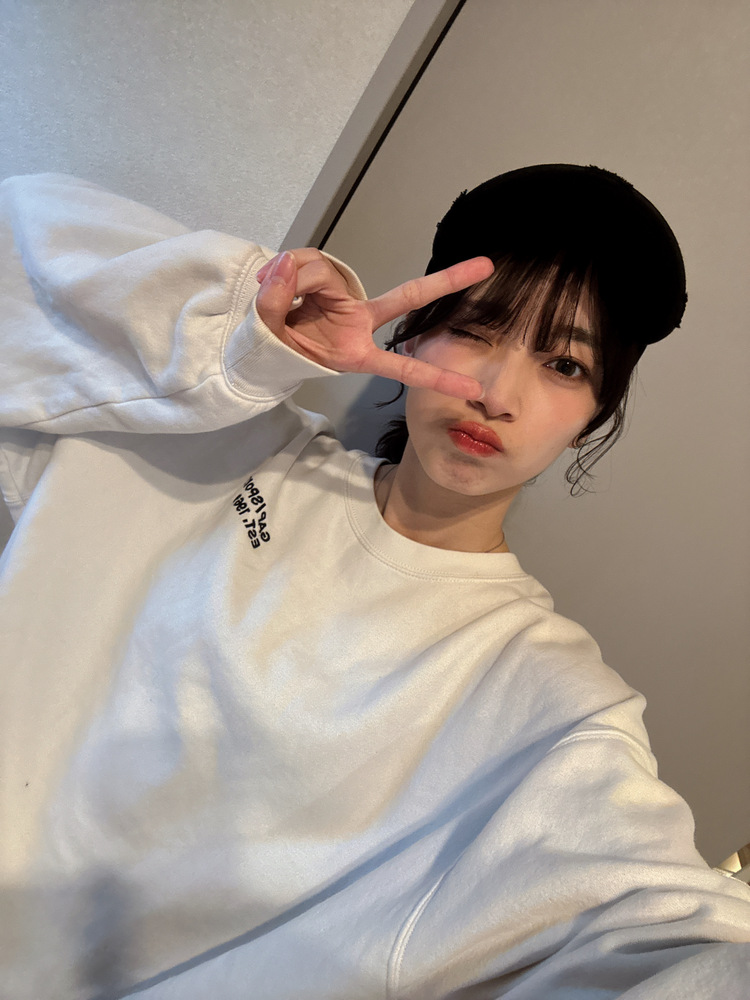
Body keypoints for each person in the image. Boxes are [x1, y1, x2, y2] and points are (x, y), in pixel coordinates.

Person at [0, 166, 748, 999]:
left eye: (564, 365)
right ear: (413, 335)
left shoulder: (548, 697)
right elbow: (19, 248)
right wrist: (238, 339)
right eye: (476, 329)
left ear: (591, 421)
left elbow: (663, 932)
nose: (496, 393)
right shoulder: (227, 441)